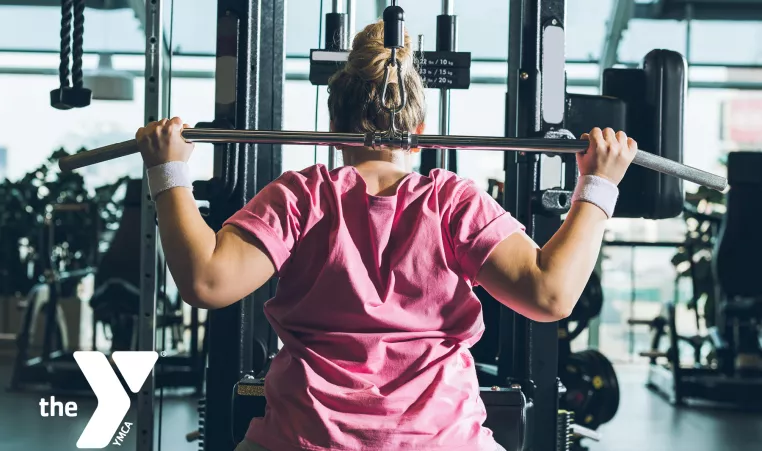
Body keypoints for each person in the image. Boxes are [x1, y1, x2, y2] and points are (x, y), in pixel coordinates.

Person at [135, 21, 636, 451]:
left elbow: (205, 282)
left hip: (305, 439)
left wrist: (167, 172)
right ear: (419, 130)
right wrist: (598, 185)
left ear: (332, 127)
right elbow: (551, 294)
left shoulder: (303, 196)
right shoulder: (452, 201)